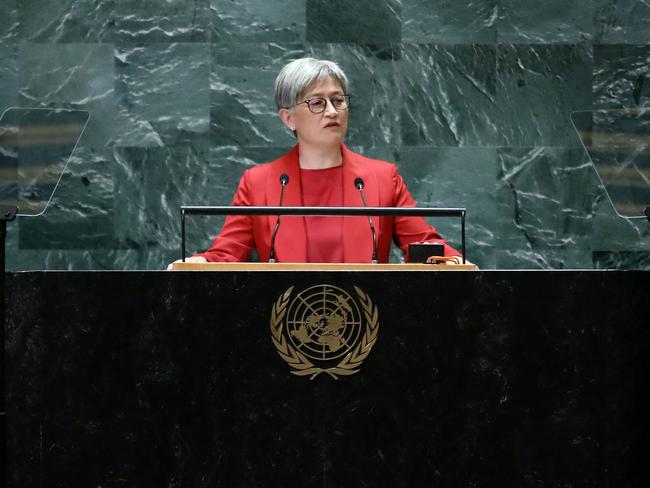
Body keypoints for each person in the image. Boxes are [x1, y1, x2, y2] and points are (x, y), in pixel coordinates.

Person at [168, 57, 467, 267]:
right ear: (288, 118)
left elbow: (424, 243)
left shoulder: (381, 177)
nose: (332, 111)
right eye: (316, 102)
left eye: (338, 100)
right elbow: (226, 254)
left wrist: (453, 260)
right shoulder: (258, 183)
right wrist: (200, 262)